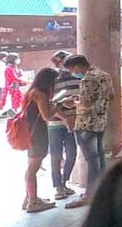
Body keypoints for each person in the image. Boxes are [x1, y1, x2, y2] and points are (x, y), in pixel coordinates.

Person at [64, 55, 114, 209]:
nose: (73, 73)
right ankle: (103, 190)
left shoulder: (87, 79)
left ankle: (89, 194)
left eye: (72, 69)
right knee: (99, 157)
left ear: (77, 66)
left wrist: (73, 103)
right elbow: (110, 97)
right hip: (100, 122)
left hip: (86, 124)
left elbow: (85, 104)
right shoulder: (104, 75)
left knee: (91, 160)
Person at [22, 68, 63, 214]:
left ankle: (29, 197)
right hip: (38, 134)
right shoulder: (40, 94)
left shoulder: (32, 91)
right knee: (33, 168)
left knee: (31, 167)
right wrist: (57, 105)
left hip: (31, 132)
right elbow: (46, 116)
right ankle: (33, 201)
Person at [48, 51, 79, 201]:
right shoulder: (52, 79)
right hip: (55, 122)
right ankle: (58, 187)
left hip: (72, 120)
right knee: (56, 155)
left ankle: (64, 182)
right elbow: (50, 103)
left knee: (72, 154)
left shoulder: (77, 77)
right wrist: (64, 116)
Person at [0, 53, 26, 118]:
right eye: (17, 58)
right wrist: (25, 81)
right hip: (11, 89)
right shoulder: (9, 68)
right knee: (10, 104)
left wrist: (20, 74)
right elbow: (15, 78)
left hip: (15, 88)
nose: (18, 60)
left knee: (17, 103)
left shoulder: (14, 67)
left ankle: (17, 117)